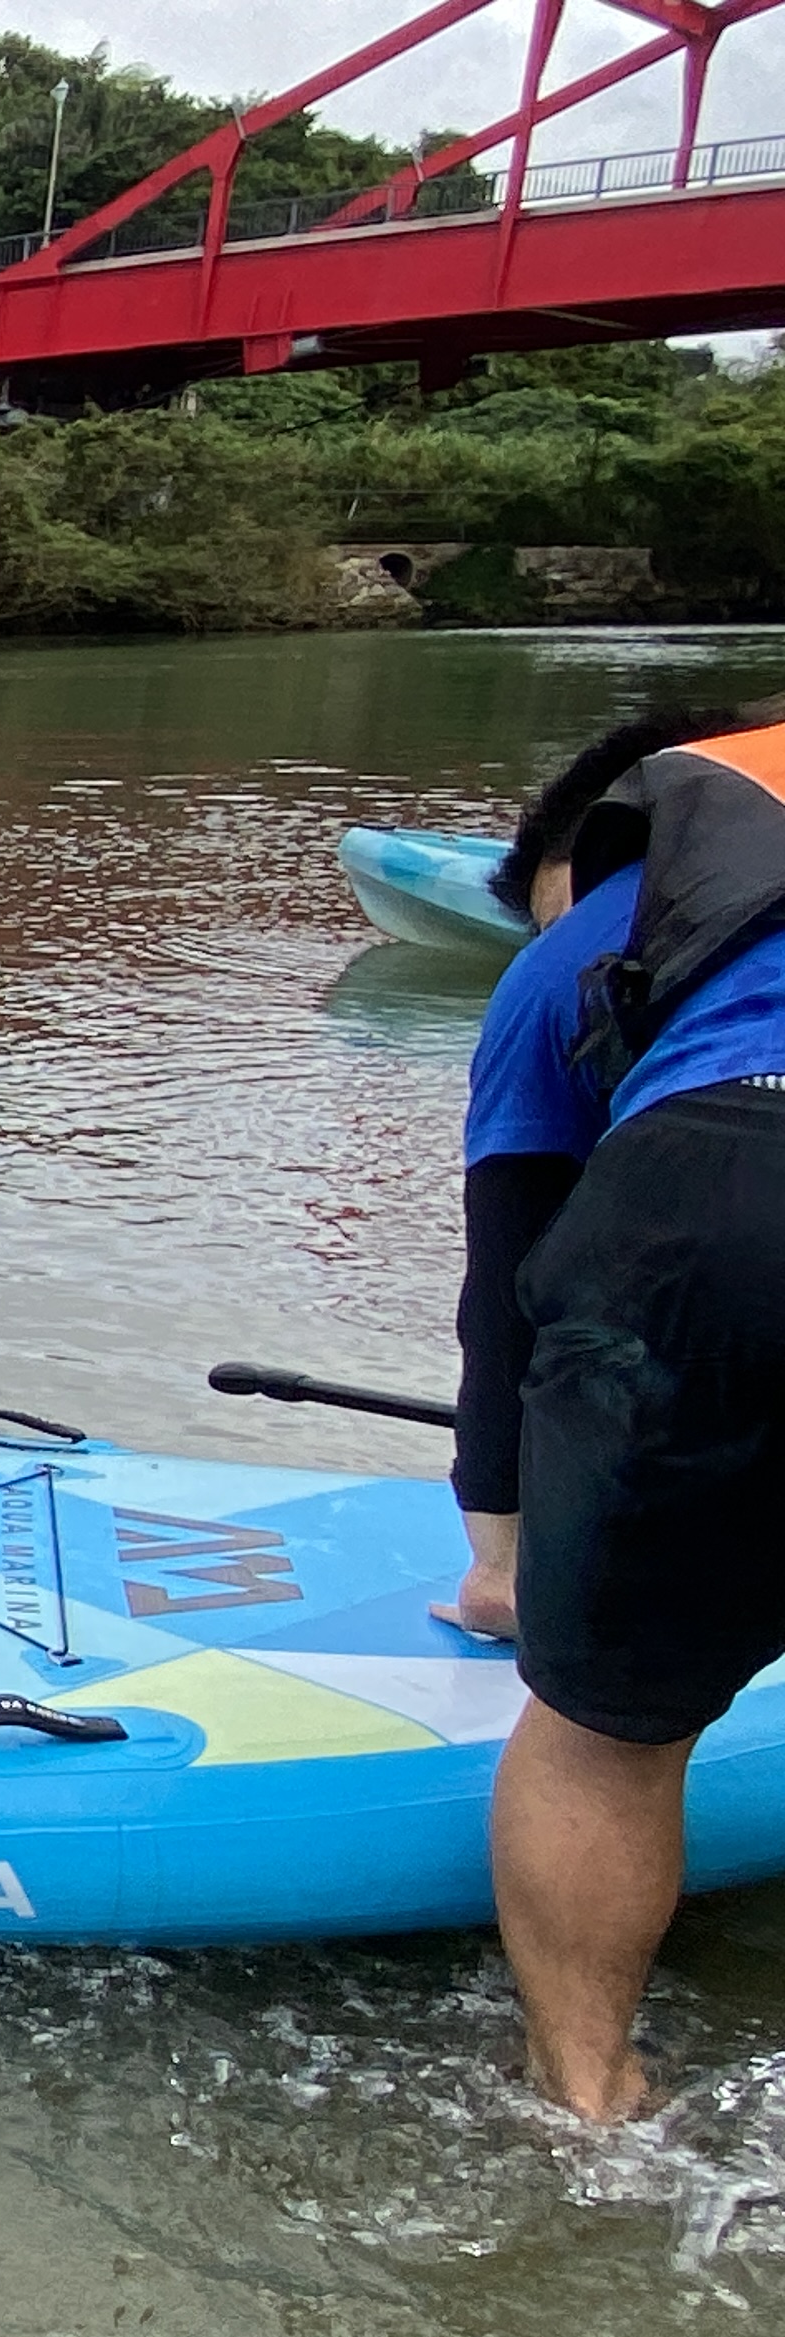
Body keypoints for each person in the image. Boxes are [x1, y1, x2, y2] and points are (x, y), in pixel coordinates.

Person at [452, 703, 785, 2120]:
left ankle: (591, 2113)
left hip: (728, 1190)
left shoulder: (578, 948)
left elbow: (509, 1300)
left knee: (605, 1730)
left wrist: (504, 1567)